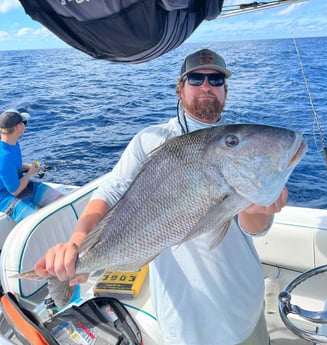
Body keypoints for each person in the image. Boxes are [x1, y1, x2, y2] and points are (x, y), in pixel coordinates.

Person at [34, 49, 287, 345]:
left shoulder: (243, 146)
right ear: (180, 88)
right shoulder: (151, 140)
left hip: (244, 302)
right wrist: (78, 243)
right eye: (196, 78)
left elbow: (254, 228)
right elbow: (112, 191)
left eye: (216, 79)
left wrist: (261, 207)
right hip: (183, 317)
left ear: (225, 91)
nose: (206, 86)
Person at [0, 109, 63, 223]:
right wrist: (30, 174)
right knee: (40, 222)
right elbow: (14, 190)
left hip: (25, 186)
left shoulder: (13, 144)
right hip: (8, 198)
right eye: (24, 123)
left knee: (62, 201)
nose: (25, 126)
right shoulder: (4, 156)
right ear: (18, 127)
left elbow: (14, 167)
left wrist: (29, 167)